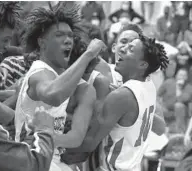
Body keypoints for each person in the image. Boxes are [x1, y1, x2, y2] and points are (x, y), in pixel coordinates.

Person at [15, 3, 104, 171]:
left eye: (70, 35)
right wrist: (89, 54)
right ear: (42, 43)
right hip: (30, 157)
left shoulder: (80, 86)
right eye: (59, 35)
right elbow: (54, 95)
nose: (67, 39)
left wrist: (46, 136)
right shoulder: (39, 71)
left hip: (53, 157)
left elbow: (76, 138)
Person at [62, 34, 168, 171]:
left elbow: (89, 143)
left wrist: (53, 145)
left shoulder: (121, 96)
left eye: (131, 49)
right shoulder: (149, 87)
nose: (123, 50)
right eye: (123, 44)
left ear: (142, 65)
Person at [158, 68, 192, 134]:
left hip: (180, 111)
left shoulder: (189, 87)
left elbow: (181, 100)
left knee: (178, 106)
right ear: (176, 75)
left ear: (187, 77)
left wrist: (179, 88)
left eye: (184, 75)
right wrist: (160, 105)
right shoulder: (168, 82)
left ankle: (180, 133)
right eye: (180, 75)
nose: (182, 77)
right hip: (165, 109)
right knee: (155, 106)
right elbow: (158, 95)